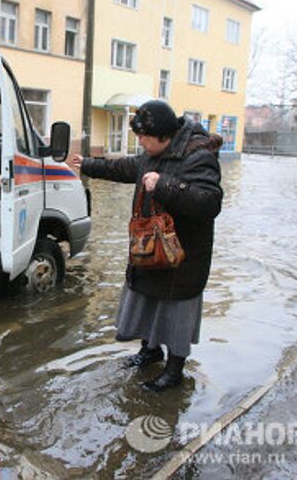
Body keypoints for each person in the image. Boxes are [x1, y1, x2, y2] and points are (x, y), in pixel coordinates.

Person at [73, 100, 222, 392]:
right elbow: (123, 168)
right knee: (148, 301)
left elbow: (210, 202)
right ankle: (150, 351)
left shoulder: (198, 156)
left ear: (164, 136)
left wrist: (165, 185)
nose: (139, 142)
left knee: (176, 312)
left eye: (144, 136)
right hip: (150, 247)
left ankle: (174, 369)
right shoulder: (151, 155)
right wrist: (87, 164)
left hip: (182, 255)